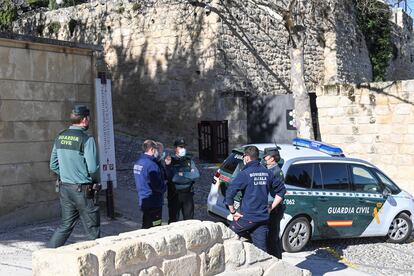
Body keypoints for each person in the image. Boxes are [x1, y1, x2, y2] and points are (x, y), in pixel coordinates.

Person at [48, 105, 100, 248]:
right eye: (88, 118)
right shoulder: (86, 139)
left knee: (65, 226)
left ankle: (48, 254)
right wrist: (95, 182)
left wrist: (66, 173)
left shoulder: (60, 136)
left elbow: (53, 165)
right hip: (82, 190)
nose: (89, 121)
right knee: (92, 229)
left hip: (65, 188)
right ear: (84, 120)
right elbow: (93, 168)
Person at [225, 146, 273, 252]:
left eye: (243, 156)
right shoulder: (268, 172)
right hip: (262, 218)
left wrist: (233, 212)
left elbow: (229, 194)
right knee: (261, 252)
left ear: (246, 157)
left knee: (227, 235)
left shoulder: (245, 173)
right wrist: (270, 207)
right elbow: (281, 191)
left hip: (248, 218)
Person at [134, 140, 166, 229]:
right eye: (156, 149)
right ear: (152, 149)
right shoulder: (151, 165)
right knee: (155, 227)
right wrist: (164, 187)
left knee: (146, 225)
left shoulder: (138, 162)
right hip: (153, 201)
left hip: (143, 199)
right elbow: (157, 185)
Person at [166, 138, 200, 223]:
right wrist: (188, 177)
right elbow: (174, 178)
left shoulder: (189, 161)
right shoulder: (171, 161)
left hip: (187, 194)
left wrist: (183, 175)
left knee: (189, 221)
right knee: (173, 220)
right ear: (175, 148)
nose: (183, 149)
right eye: (180, 147)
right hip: (175, 194)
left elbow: (196, 174)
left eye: (184, 147)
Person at [263, 147, 286, 259]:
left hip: (274, 209)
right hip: (269, 207)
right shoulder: (268, 169)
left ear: (272, 158)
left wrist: (271, 207)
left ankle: (277, 261)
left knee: (273, 237)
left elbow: (280, 193)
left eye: (266, 156)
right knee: (269, 237)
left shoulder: (277, 172)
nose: (264, 158)